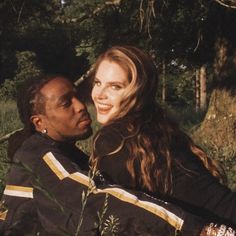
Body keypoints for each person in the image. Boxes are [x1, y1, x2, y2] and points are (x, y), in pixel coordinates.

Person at [1, 74, 225, 236]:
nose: (80, 106)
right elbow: (99, 197)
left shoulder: (64, 152)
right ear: (39, 123)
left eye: (77, 96)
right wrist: (201, 229)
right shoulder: (40, 157)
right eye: (66, 103)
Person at [90, 45, 236, 229]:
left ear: (138, 91)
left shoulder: (114, 141)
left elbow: (114, 219)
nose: (99, 95)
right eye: (97, 83)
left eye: (115, 87)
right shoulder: (155, 127)